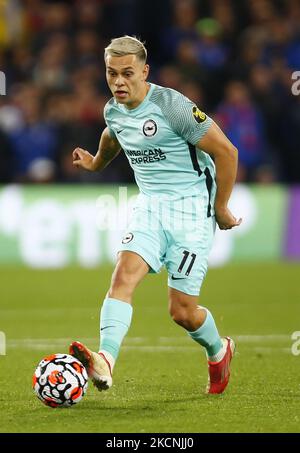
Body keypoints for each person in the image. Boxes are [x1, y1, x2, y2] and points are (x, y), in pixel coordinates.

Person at [70, 35, 241, 394]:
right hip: (150, 207)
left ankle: (218, 349)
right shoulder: (113, 109)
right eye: (111, 73)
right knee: (122, 277)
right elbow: (113, 135)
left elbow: (227, 152)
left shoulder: (172, 106)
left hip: (192, 210)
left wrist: (221, 208)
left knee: (181, 311)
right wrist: (96, 164)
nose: (118, 82)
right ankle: (105, 361)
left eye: (127, 73)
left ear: (144, 71)